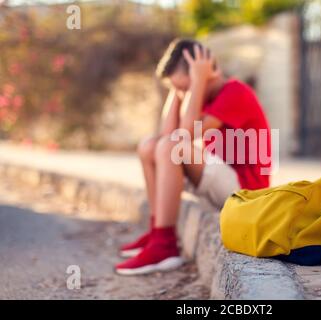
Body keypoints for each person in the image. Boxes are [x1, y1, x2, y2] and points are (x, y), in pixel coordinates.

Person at [115, 38, 272, 275]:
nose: (183, 96)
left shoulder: (235, 92)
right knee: (149, 146)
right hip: (220, 183)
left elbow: (182, 137)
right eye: (177, 90)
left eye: (184, 89)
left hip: (247, 191)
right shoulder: (204, 97)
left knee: (172, 145)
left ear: (206, 73)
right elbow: (165, 138)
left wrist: (197, 82)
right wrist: (178, 92)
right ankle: (158, 232)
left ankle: (165, 245)